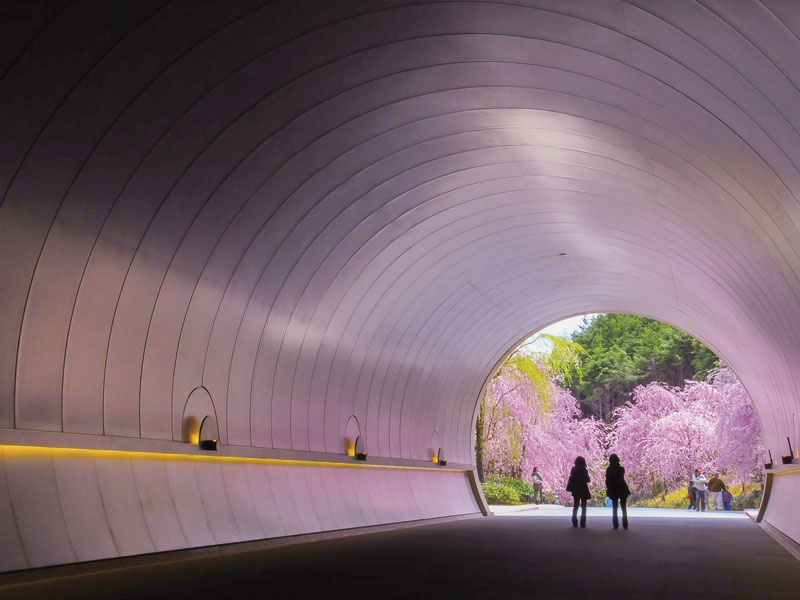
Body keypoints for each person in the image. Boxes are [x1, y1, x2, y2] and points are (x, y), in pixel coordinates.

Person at [605, 454, 630, 530]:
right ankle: (625, 524)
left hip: (613, 489)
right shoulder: (621, 469)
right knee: (623, 507)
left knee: (615, 507)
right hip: (622, 488)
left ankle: (615, 524)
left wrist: (609, 488)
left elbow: (608, 480)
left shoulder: (609, 469)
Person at [566, 456, 591, 528]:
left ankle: (574, 520)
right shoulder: (584, 470)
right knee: (584, 506)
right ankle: (583, 522)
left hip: (575, 489)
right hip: (583, 489)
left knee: (576, 505)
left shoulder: (573, 469)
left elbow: (571, 478)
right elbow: (588, 480)